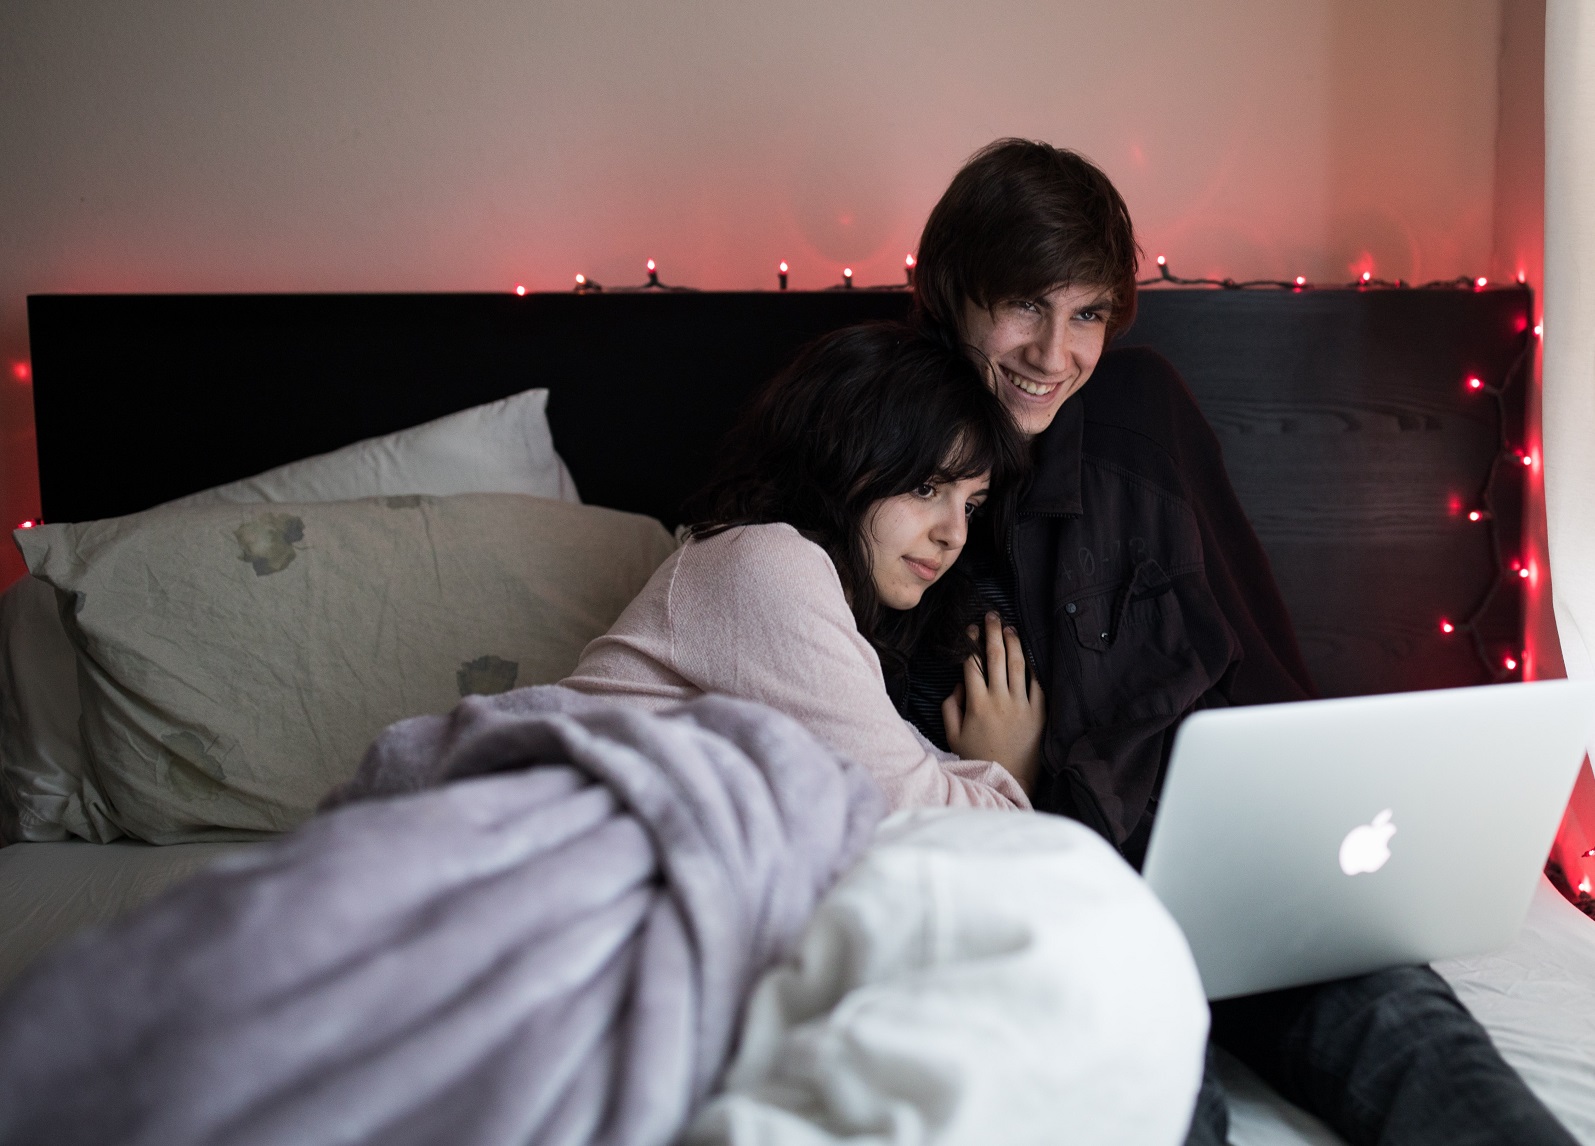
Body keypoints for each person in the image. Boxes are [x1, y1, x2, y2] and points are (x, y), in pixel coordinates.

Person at [904, 138, 1576, 1146]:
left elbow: (1258, 669)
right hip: (1070, 900)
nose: (1053, 354)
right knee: (1155, 1101)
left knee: (1428, 1053)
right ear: (952, 295)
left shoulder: (1139, 413)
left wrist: (1320, 846)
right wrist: (1003, 782)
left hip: (1244, 880)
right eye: (1022, 305)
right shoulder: (895, 454)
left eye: (1083, 312)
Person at [563, 321, 1043, 811]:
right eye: (925, 488)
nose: (954, 534)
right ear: (843, 456)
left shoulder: (823, 600)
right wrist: (1009, 772)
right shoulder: (764, 562)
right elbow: (910, 805)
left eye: (970, 505)